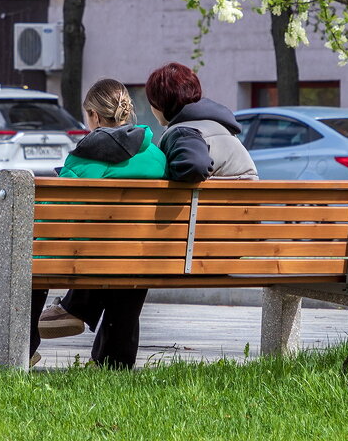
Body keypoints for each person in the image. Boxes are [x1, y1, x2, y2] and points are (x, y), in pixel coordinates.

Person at [37, 63, 255, 365]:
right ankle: (110, 359)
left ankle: (72, 314)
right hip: (224, 246)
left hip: (192, 251)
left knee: (112, 250)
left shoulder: (183, 134)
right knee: (131, 252)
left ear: (95, 117)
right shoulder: (163, 152)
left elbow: (55, 219)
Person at [32, 78, 167, 369]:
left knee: (30, 255)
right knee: (128, 259)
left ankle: (25, 347)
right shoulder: (157, 156)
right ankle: (114, 361)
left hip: (86, 258)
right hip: (144, 255)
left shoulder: (87, 155)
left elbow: (50, 214)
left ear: (94, 116)